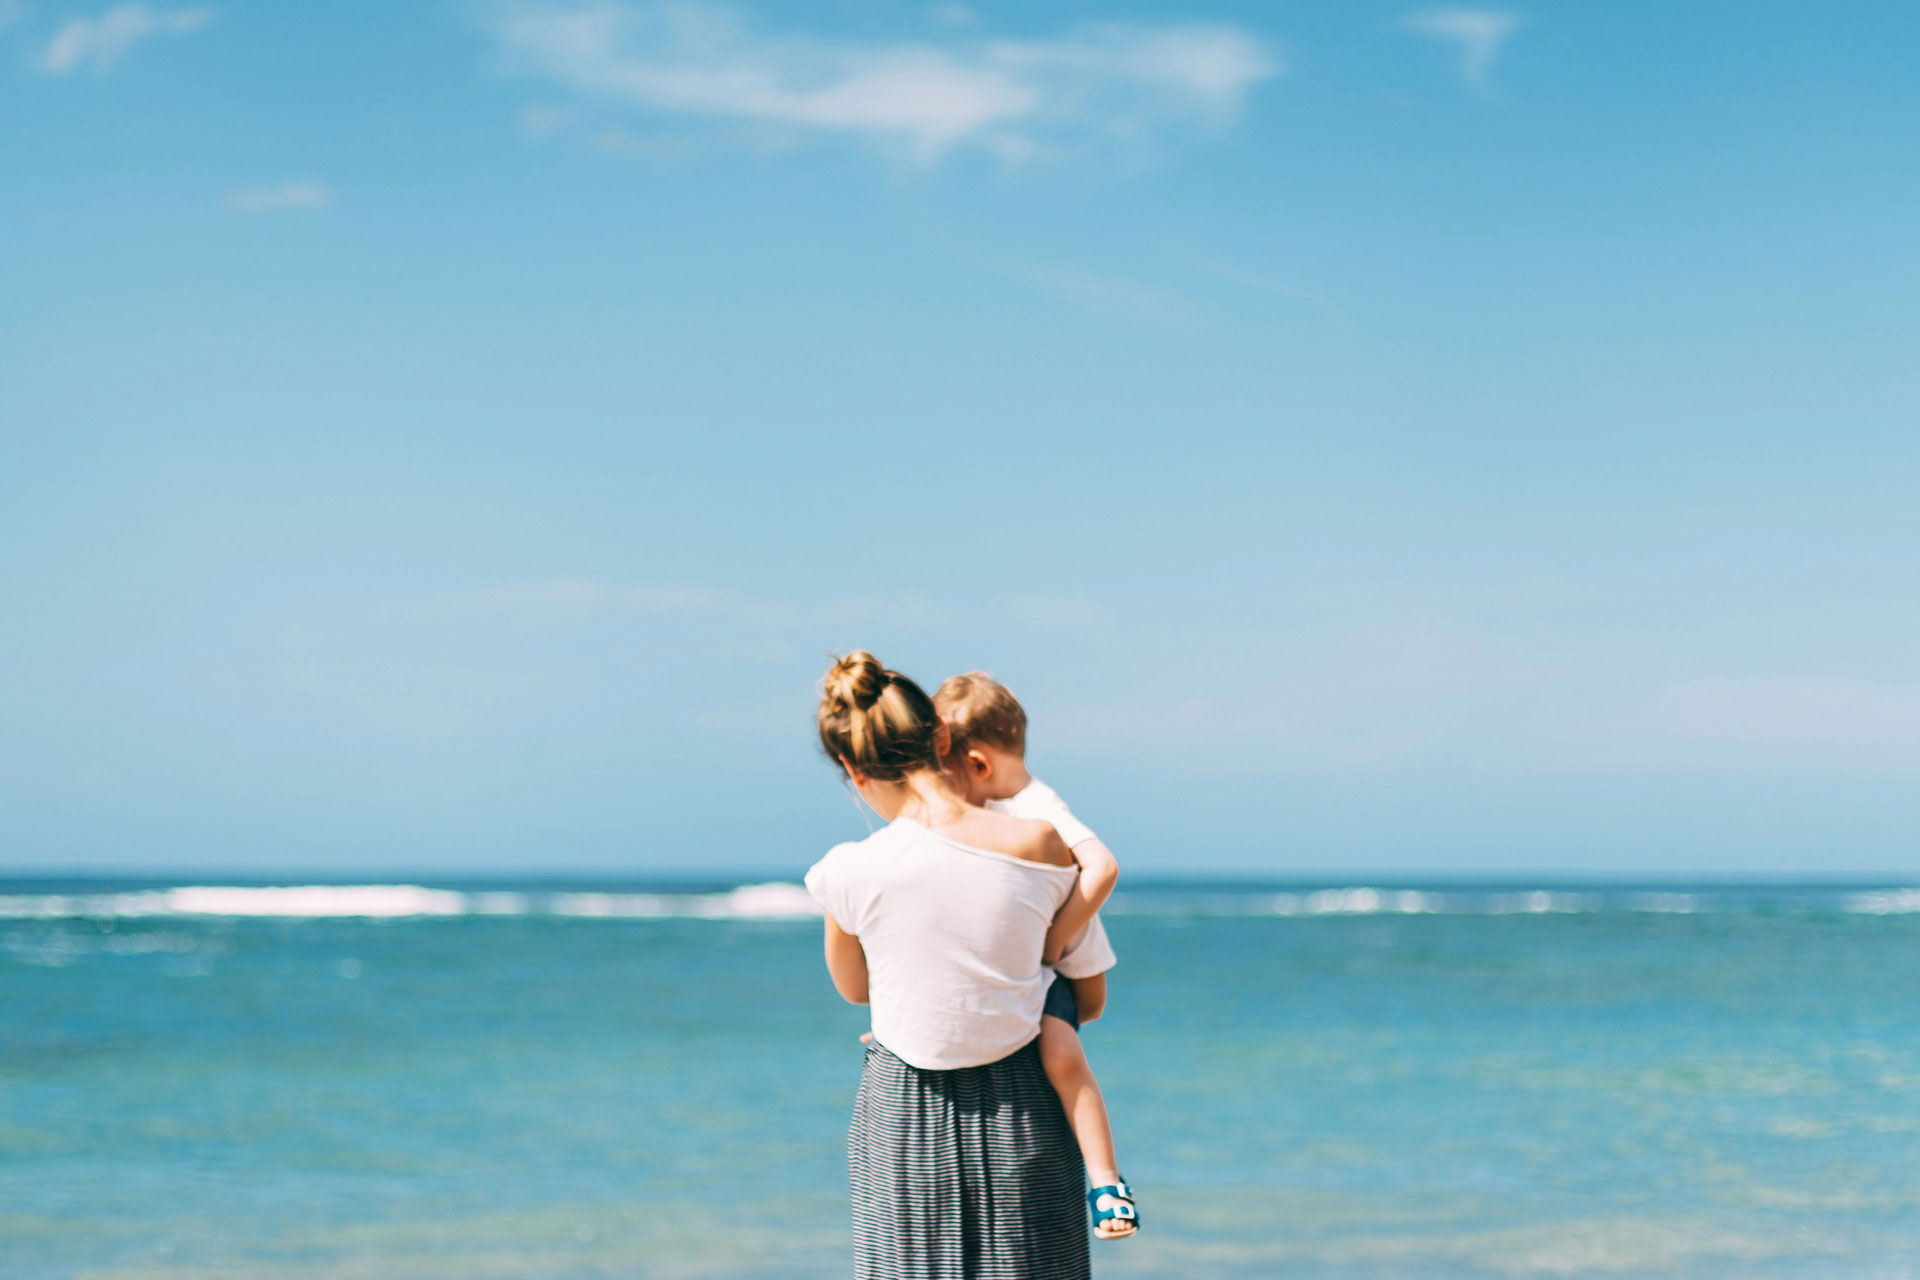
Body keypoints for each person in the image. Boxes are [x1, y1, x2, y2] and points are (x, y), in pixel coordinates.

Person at [805, 652, 1115, 1279]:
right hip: (1024, 1107)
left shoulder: (846, 870)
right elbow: (1091, 999)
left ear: (850, 767)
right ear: (942, 736)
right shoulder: (1041, 846)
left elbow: (854, 989)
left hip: (901, 1115)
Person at [934, 672, 1136, 1241]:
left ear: (976, 763)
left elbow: (1103, 868)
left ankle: (1105, 1184)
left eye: (944, 776)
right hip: (1018, 959)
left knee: (1062, 1056)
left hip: (1055, 962)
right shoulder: (996, 807)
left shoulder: (1037, 805)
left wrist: (1055, 937)